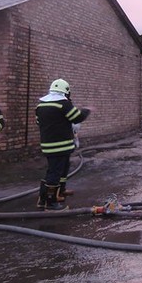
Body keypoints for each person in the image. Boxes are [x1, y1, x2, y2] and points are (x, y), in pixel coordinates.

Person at [35, 79, 91, 210]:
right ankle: (50, 202)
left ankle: (58, 192)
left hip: (48, 145)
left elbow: (39, 122)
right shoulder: (63, 104)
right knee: (54, 173)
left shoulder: (40, 106)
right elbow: (77, 117)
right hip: (61, 146)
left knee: (59, 169)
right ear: (66, 92)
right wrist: (86, 110)